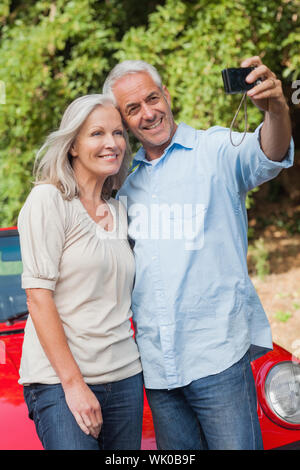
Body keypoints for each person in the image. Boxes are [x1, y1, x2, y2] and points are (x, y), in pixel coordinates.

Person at [102, 57, 294, 450]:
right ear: (123, 122)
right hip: (157, 372)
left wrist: (276, 108)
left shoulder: (216, 150)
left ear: (166, 95)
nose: (149, 113)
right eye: (133, 109)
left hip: (218, 358)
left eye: (152, 99)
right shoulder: (124, 188)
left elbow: (269, 153)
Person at [17, 94, 143, 450]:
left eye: (118, 133)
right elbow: (38, 297)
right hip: (61, 382)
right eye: (97, 134)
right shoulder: (48, 201)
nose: (111, 143)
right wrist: (74, 384)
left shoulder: (119, 211)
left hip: (125, 377)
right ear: (72, 145)